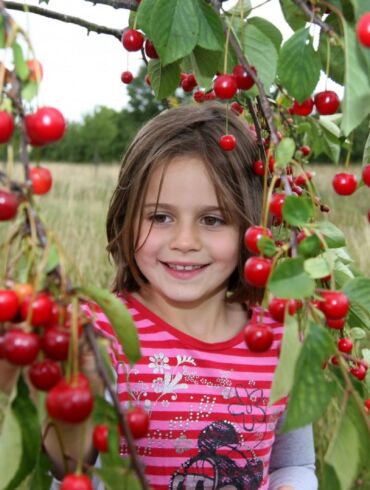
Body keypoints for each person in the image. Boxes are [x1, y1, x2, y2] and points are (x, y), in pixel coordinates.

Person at [47, 102, 317, 489]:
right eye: (160, 217)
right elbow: (67, 469)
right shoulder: (101, 333)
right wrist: (83, 377)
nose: (185, 242)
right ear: (126, 217)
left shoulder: (279, 340)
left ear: (251, 227)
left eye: (212, 219)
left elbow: (293, 464)